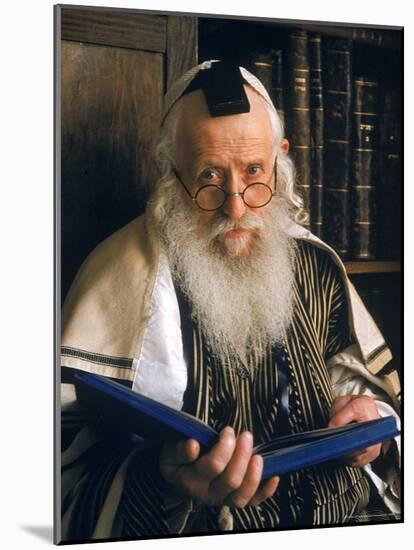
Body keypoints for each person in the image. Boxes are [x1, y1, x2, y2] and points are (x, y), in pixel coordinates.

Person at [59, 60, 400, 542]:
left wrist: (372, 426)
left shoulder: (315, 262)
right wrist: (163, 480)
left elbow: (372, 393)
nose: (236, 206)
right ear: (170, 170)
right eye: (210, 177)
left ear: (280, 160)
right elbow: (58, 470)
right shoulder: (118, 274)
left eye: (254, 171)